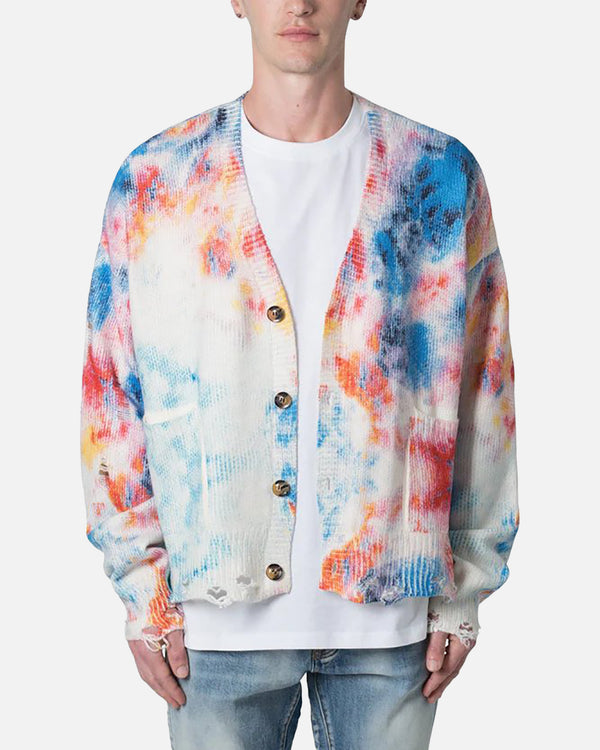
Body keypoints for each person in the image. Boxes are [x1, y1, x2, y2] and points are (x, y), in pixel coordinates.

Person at [79, 2, 520, 748]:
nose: (300, 2)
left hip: (392, 623)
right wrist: (143, 593)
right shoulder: (158, 178)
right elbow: (110, 398)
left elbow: (485, 389)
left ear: (360, 0)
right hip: (213, 629)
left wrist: (465, 589)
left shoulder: (437, 172)